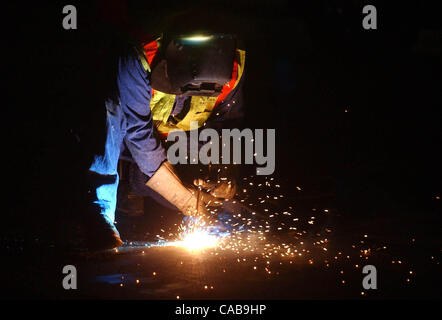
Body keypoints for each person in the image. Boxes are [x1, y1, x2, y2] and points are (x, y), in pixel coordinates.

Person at [85, 33, 245, 250]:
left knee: (208, 169)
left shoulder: (232, 68)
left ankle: (143, 183)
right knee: (109, 110)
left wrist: (224, 173)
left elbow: (227, 125)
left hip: (172, 138)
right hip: (128, 137)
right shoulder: (140, 58)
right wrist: (186, 201)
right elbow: (139, 135)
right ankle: (99, 212)